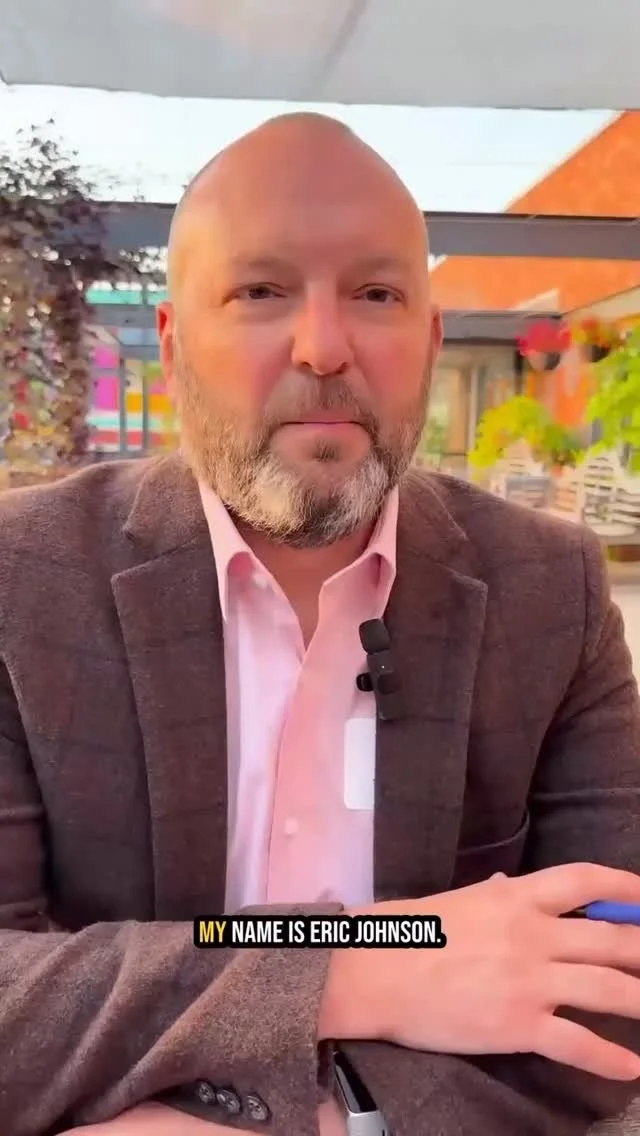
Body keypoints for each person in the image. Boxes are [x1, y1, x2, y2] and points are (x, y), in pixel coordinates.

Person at [1, 112, 640, 1136]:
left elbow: (615, 978)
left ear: (431, 342)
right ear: (174, 343)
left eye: (376, 295)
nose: (324, 347)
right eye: (261, 291)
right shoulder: (22, 581)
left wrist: (314, 1120)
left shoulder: (549, 589)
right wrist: (357, 967)